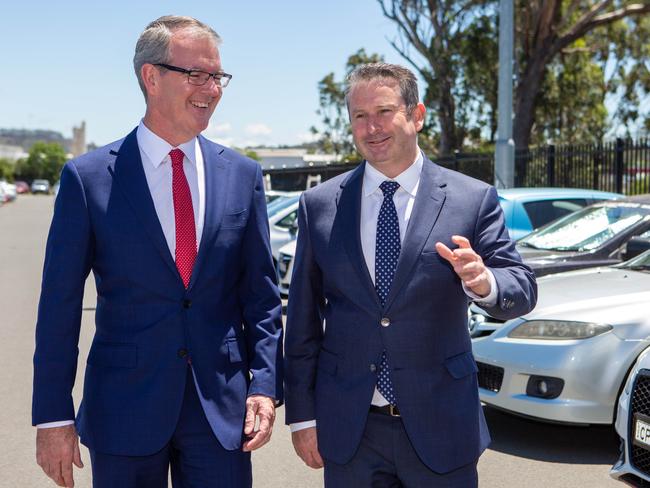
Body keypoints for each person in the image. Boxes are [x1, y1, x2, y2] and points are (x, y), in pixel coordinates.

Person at [32, 15, 283, 488]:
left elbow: (263, 298)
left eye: (217, 76)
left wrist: (265, 385)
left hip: (221, 414)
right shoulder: (88, 179)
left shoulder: (243, 175)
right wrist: (52, 418)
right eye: (197, 74)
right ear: (151, 77)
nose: (211, 88)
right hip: (123, 410)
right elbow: (59, 307)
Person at [284, 63, 537, 487]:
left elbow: (522, 288)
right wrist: (301, 416)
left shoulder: (471, 199)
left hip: (442, 425)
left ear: (417, 115)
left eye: (383, 111)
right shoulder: (319, 205)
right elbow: (303, 321)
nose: (371, 127)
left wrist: (484, 282)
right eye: (359, 117)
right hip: (349, 430)